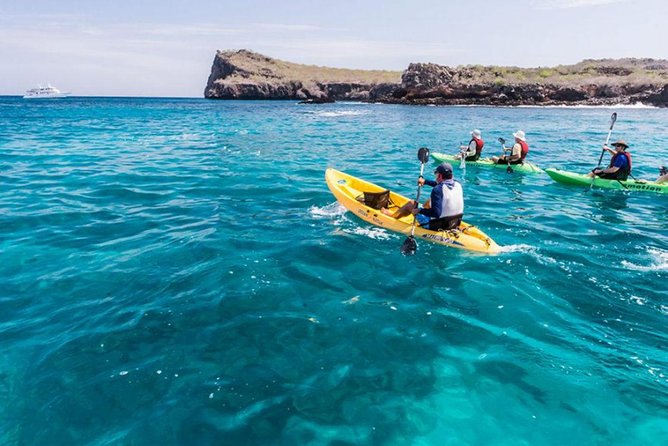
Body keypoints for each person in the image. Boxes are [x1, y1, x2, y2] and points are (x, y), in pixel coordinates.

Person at [382, 163, 464, 230]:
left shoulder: (437, 190)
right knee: (431, 201)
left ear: (439, 176)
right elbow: (441, 185)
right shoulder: (457, 184)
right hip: (453, 222)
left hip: (436, 225)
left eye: (436, 174)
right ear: (451, 176)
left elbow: (436, 213)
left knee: (411, 204)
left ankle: (392, 217)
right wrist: (425, 182)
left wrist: (419, 210)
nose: (436, 176)